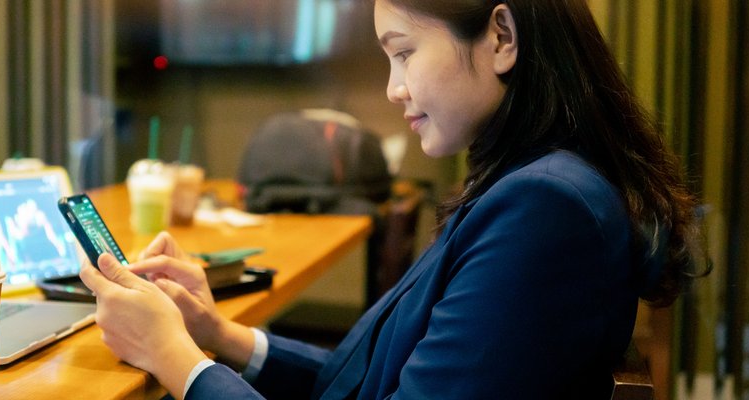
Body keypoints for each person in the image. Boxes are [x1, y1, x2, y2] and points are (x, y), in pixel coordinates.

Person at [78, 0, 704, 398]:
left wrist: (176, 359)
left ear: (502, 36)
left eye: (404, 53)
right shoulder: (534, 182)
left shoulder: (546, 209)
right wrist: (217, 333)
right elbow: (370, 376)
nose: (393, 88)